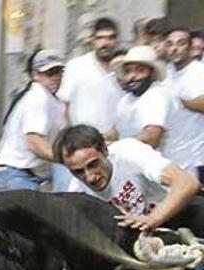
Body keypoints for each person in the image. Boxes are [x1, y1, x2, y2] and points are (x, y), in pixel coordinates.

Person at [55, 124, 198, 232]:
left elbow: (187, 182)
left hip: (176, 211)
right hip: (143, 235)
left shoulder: (128, 152)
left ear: (105, 150)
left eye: (93, 164)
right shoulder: (78, 192)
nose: (90, 177)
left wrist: (153, 218)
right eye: (78, 172)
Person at [0, 50, 66, 191]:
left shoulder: (53, 101)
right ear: (35, 75)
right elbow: (34, 143)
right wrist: (67, 159)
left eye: (58, 72)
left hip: (20, 175)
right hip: (14, 175)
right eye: (49, 73)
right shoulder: (38, 97)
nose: (55, 77)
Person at [57, 17, 122, 134]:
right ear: (92, 40)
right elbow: (63, 106)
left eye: (110, 38)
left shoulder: (123, 68)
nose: (105, 43)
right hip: (82, 142)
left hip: (115, 142)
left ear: (116, 41)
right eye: (100, 38)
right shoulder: (76, 66)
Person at [107, 45, 171, 150]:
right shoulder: (127, 99)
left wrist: (114, 147)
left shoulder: (157, 95)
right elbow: (116, 131)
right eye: (128, 71)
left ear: (151, 73)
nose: (132, 76)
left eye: (140, 70)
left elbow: (151, 138)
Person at [163, 27, 204, 175]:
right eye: (170, 44)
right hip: (173, 155)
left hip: (197, 158)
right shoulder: (168, 71)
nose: (174, 48)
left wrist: (180, 101)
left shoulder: (199, 71)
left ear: (190, 48)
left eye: (180, 43)